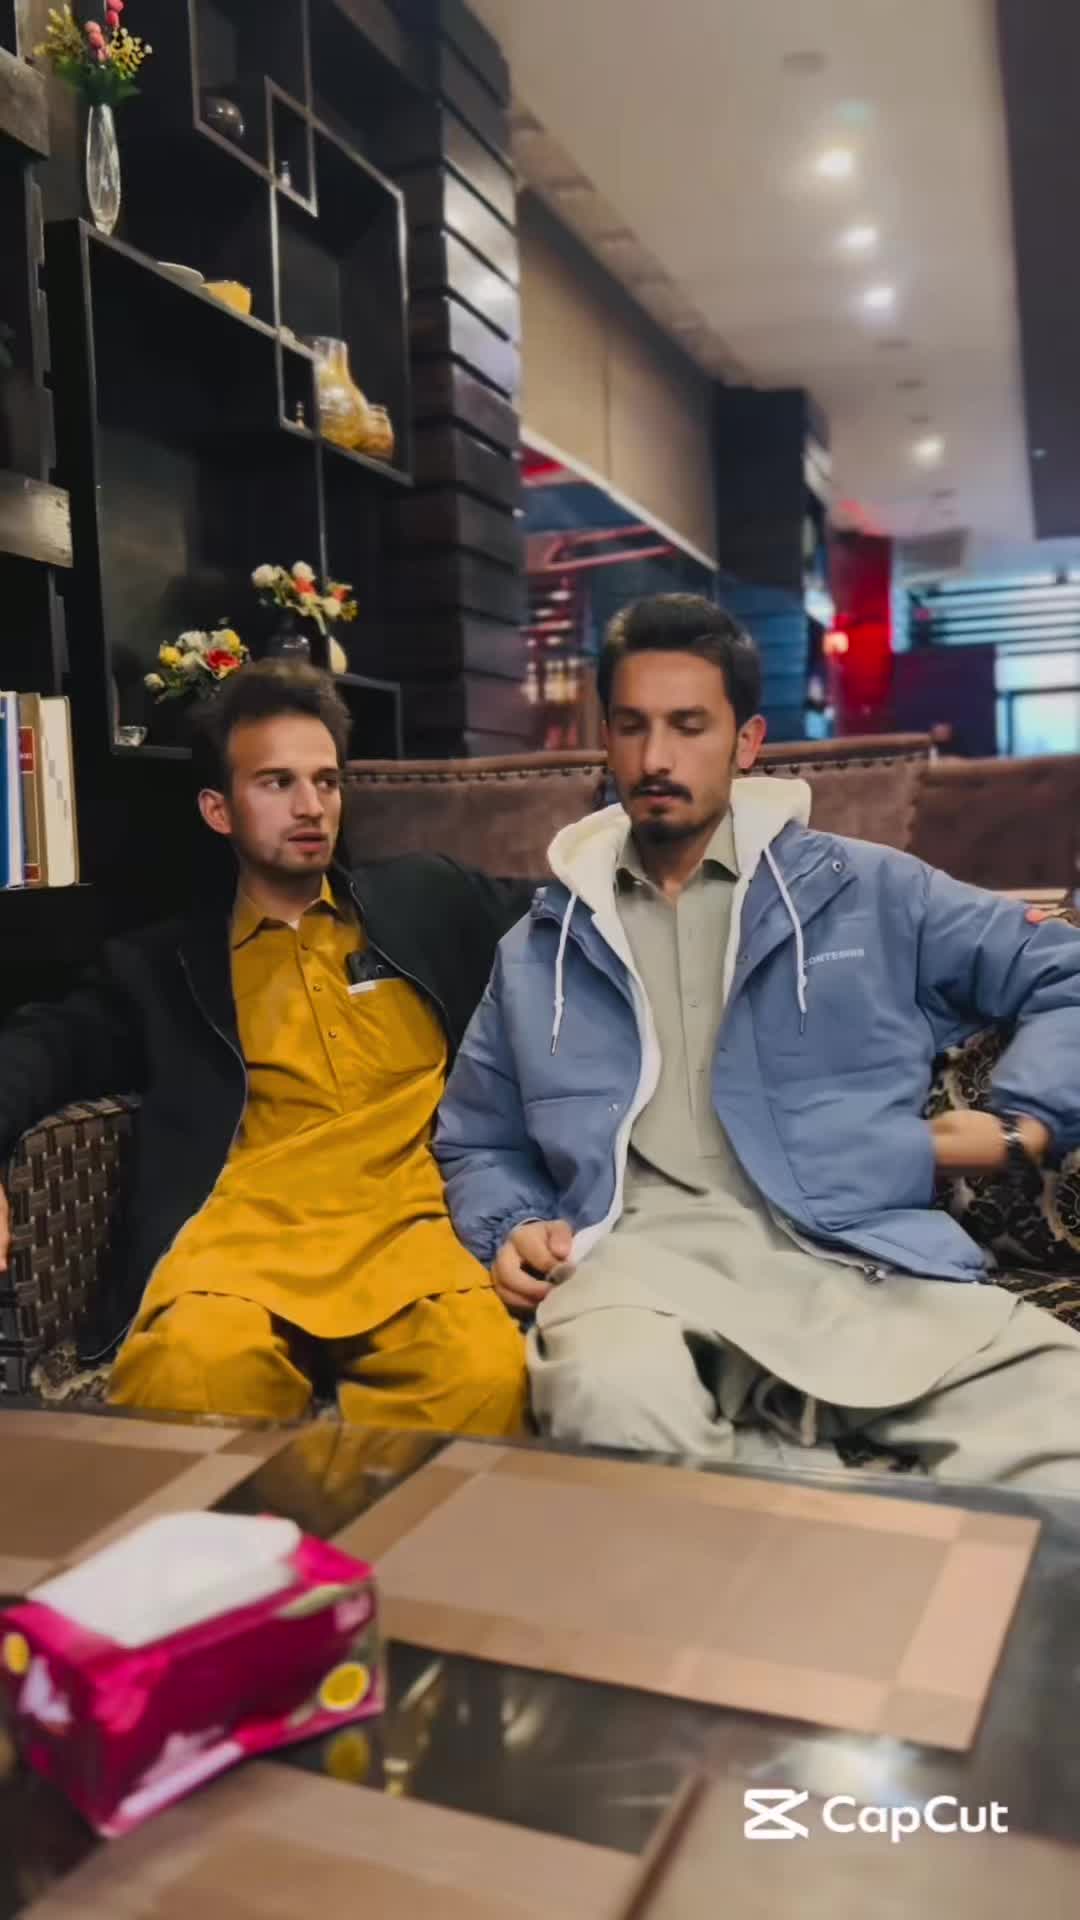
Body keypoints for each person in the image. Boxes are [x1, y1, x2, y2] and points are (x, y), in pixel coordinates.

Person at [434, 593, 1080, 1490]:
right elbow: (477, 1138)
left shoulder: (869, 891)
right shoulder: (540, 948)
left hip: (863, 1260)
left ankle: (794, 1484)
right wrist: (511, 1226)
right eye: (633, 727)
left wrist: (1024, 1123)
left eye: (689, 726)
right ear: (605, 740)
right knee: (612, 1410)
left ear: (746, 742)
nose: (656, 758)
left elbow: (1065, 971)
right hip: (633, 1274)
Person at [0, 663, 530, 1431]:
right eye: (277, 783)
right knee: (187, 1378)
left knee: (486, 1381)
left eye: (326, 781)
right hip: (239, 1246)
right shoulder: (161, 966)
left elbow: (572, 914)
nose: (311, 806)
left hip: (412, 1238)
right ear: (219, 809)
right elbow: (46, 1044)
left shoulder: (427, 901)